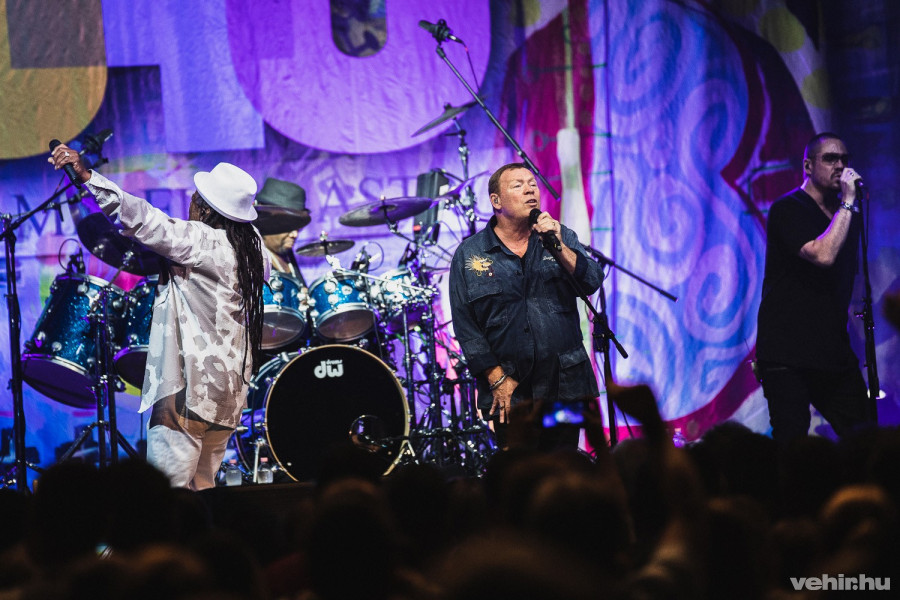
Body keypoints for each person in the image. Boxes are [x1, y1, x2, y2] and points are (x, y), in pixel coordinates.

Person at [50, 144, 269, 489]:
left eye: (196, 198)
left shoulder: (202, 241)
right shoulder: (254, 251)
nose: (191, 203)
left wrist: (88, 178)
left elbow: (143, 218)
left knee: (166, 497)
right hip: (227, 394)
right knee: (203, 492)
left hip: (189, 391)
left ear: (207, 209)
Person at [449, 163, 603, 449]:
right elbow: (466, 325)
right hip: (510, 391)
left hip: (563, 385)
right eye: (518, 185)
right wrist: (497, 379)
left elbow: (591, 281)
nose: (530, 190)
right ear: (496, 201)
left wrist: (557, 245)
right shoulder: (470, 254)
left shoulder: (560, 236)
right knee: (520, 468)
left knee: (565, 463)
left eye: (532, 184)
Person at [756, 132, 874, 447]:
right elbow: (823, 256)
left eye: (845, 159)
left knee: (866, 437)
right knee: (792, 443)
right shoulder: (787, 209)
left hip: (831, 348)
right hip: (786, 350)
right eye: (830, 159)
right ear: (808, 166)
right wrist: (847, 203)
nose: (840, 166)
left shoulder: (846, 215)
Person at [254, 177, 312, 282]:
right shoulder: (252, 259)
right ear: (264, 222)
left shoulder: (285, 252)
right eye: (287, 226)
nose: (295, 234)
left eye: (298, 227)